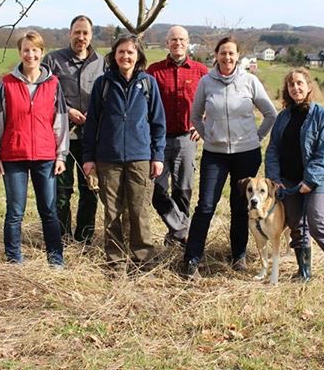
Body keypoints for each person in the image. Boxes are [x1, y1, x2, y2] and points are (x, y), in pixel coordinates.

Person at [182, 36, 277, 277]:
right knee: (205, 206)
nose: (227, 57)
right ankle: (192, 258)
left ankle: (238, 256)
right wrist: (208, 136)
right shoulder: (206, 82)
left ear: (238, 56)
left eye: (231, 53)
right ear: (216, 55)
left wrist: (256, 138)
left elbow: (270, 113)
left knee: (240, 207)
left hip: (247, 154)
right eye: (223, 53)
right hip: (216, 155)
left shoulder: (250, 81)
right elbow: (195, 116)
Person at [82, 34, 166, 272]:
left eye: (130, 52)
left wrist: (157, 156)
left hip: (141, 158)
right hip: (108, 159)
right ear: (114, 55)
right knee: (112, 212)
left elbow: (158, 123)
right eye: (121, 52)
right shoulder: (103, 84)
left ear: (138, 55)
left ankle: (143, 260)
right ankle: (115, 262)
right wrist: (89, 158)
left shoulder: (148, 84)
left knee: (139, 211)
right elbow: (92, 124)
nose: (125, 56)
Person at [264, 68, 324, 285]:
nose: (295, 88)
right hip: (287, 181)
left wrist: (310, 180)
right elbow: (273, 149)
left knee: (317, 222)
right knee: (297, 224)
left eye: (299, 83)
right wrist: (274, 178)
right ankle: (304, 272)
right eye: (291, 84)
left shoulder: (323, 116)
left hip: (317, 180)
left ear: (308, 87)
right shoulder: (282, 117)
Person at [0, 31, 69, 267]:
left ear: (42, 53)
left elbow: (60, 121)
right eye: (26, 50)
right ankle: (14, 260)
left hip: (45, 156)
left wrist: (60, 154)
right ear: (19, 52)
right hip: (14, 156)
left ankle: (55, 260)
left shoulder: (53, 84)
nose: (30, 55)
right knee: (14, 212)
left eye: (35, 50)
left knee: (49, 211)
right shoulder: (7, 83)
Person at [43, 15, 105, 244]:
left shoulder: (102, 62)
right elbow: (44, 95)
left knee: (90, 190)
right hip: (61, 138)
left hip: (92, 138)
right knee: (61, 191)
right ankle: (62, 237)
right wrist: (67, 111)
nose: (81, 37)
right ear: (70, 33)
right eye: (77, 32)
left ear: (91, 35)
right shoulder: (52, 61)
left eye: (85, 33)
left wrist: (95, 113)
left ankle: (85, 238)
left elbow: (106, 96)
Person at [146, 26, 208, 246]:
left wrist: (203, 123)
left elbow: (214, 101)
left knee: (183, 190)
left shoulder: (201, 71)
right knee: (156, 190)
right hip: (159, 140)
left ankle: (177, 239)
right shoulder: (153, 71)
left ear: (188, 42)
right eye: (173, 39)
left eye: (182, 39)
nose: (178, 43)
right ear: (167, 43)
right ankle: (183, 230)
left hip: (186, 139)